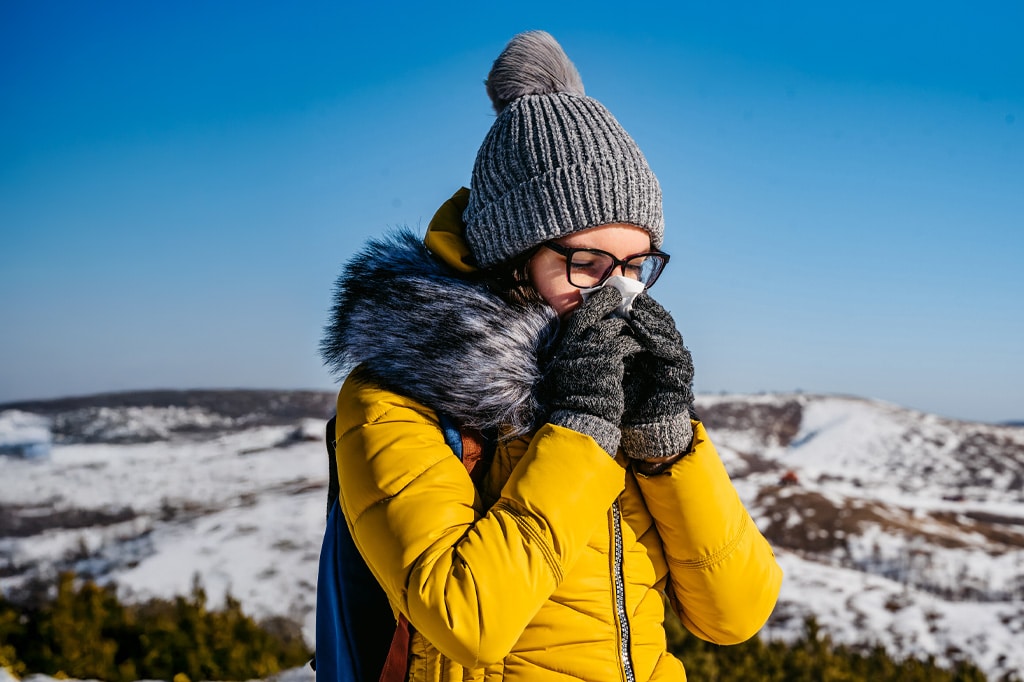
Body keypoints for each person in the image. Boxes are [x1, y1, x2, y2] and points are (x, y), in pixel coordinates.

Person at [321, 30, 782, 682]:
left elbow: (736, 614)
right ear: (512, 258)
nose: (617, 291)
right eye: (585, 263)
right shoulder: (399, 396)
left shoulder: (620, 388)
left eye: (635, 265)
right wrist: (581, 430)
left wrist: (669, 445)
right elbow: (465, 620)